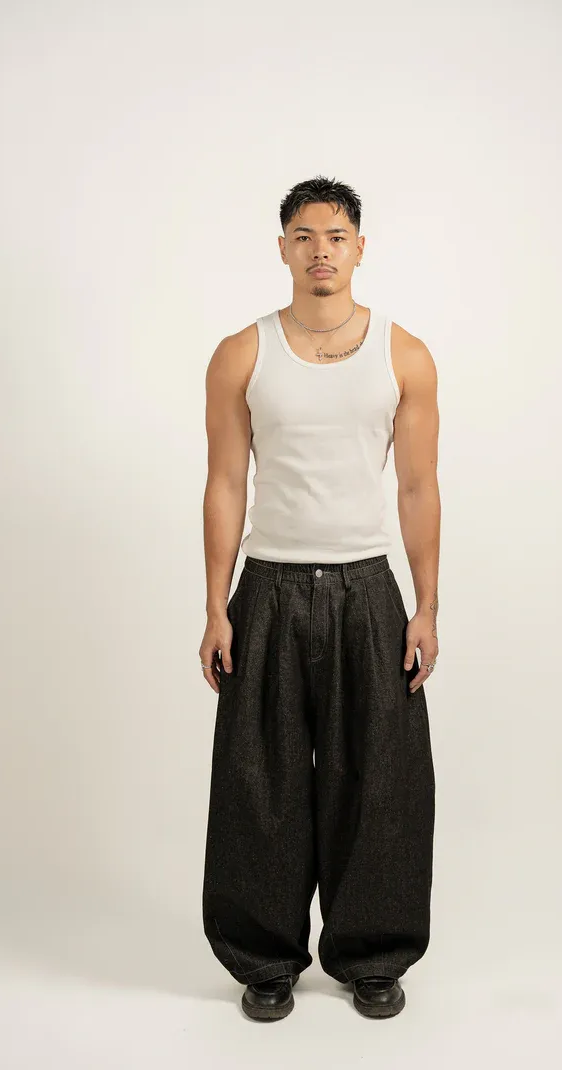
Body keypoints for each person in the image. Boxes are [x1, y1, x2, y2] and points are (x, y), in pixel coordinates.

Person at [199, 175, 440, 1021]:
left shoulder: (404, 355)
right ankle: (264, 959)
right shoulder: (242, 352)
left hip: (366, 586)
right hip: (267, 584)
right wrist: (216, 606)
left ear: (359, 247)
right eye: (303, 236)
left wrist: (426, 606)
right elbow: (225, 482)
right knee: (257, 779)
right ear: (282, 249)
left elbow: (417, 487)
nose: (320, 251)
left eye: (335, 235)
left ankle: (372, 955)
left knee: (380, 778)